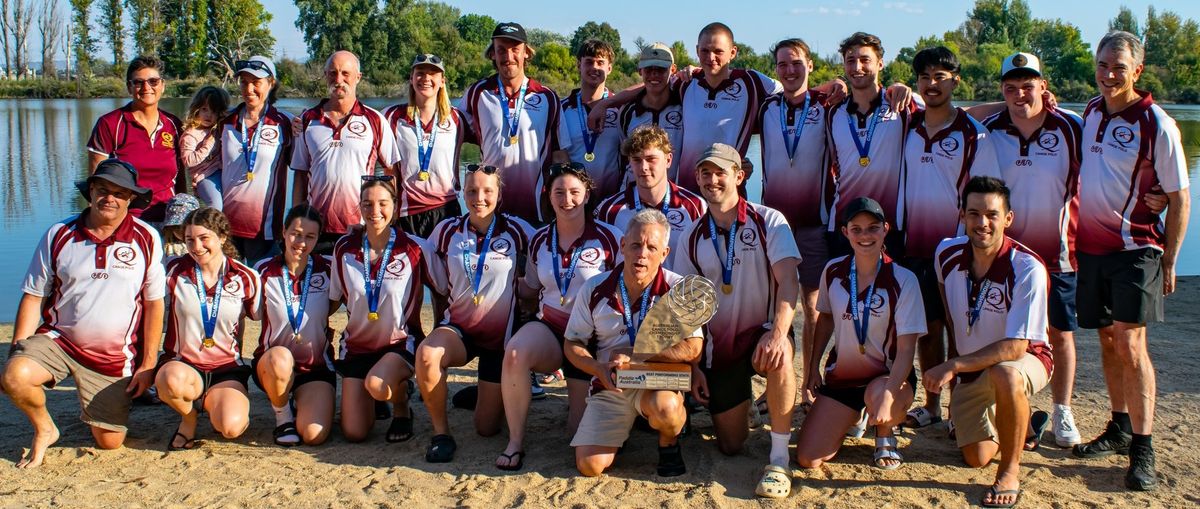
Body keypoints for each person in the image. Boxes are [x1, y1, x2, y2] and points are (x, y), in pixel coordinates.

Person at [1071, 31, 1190, 492]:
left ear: (1137, 71)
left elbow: (1179, 198)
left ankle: (1144, 447)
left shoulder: (1156, 123)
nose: (1108, 74)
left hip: (1138, 249)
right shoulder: (1092, 111)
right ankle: (1118, 427)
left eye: (1118, 66)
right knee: (1106, 340)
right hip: (1092, 249)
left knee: (1131, 344)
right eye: (1102, 65)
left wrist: (1172, 260)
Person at [1, 159, 165, 468]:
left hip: (112, 356)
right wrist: (17, 348)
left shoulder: (146, 238)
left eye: (120, 193)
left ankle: (92, 400)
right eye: (103, 189)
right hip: (59, 343)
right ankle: (45, 428)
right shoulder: (59, 233)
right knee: (15, 376)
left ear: (131, 199)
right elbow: (34, 296)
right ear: (90, 191)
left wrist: (148, 363)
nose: (110, 198)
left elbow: (154, 304)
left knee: (109, 442)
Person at [671, 143, 800, 497]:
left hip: (762, 334)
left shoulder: (769, 220)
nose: (712, 179)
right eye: (705, 173)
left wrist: (778, 333)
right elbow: (687, 310)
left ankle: (778, 461)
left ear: (739, 176)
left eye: (720, 172)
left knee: (781, 355)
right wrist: (694, 366)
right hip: (720, 346)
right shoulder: (692, 235)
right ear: (696, 177)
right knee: (730, 445)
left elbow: (790, 282)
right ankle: (745, 404)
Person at [926, 176, 1053, 508]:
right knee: (976, 457)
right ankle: (1024, 424)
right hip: (973, 365)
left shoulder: (1027, 268)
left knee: (1007, 373)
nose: (982, 223)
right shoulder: (945, 253)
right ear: (961, 215)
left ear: (1008, 218)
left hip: (1028, 358)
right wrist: (958, 380)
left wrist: (952, 366)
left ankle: (1010, 472)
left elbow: (1015, 348)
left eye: (992, 214)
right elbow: (955, 323)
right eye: (973, 214)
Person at [983, 52, 1086, 448]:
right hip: (1004, 252)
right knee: (1003, 331)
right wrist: (1005, 103)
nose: (1020, 94)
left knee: (1060, 334)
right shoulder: (991, 127)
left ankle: (1062, 410)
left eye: (1029, 86)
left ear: (1044, 86)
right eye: (1011, 88)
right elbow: (956, 112)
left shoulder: (1071, 126)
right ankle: (1004, 403)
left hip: (1058, 252)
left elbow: (1118, 160)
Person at [899, 46, 1000, 430]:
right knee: (927, 328)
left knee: (960, 329)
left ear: (955, 81)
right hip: (913, 246)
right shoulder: (908, 126)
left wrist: (977, 244)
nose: (931, 84)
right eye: (924, 77)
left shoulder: (974, 135)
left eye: (940, 76)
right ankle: (932, 405)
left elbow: (987, 194)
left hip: (958, 248)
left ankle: (963, 406)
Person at [497, 162, 623, 470]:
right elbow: (530, 287)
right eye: (559, 193)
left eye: (574, 192)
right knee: (514, 352)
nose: (567, 200)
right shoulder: (540, 238)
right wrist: (497, 278)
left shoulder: (610, 237)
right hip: (552, 328)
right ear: (548, 196)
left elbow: (626, 293)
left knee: (575, 434)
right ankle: (515, 442)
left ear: (587, 195)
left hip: (591, 340)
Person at [566, 209, 702, 477]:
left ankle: (669, 443)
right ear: (623, 245)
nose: (642, 254)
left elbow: (693, 348)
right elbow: (572, 343)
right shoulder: (594, 288)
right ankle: (623, 432)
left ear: (664, 254)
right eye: (636, 244)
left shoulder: (678, 290)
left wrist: (638, 356)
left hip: (657, 384)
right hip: (611, 384)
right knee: (589, 466)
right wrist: (597, 369)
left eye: (652, 247)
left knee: (667, 409)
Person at [796, 197, 923, 473]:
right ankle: (855, 414)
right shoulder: (832, 271)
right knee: (808, 458)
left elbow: (905, 351)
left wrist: (889, 395)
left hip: (887, 377)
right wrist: (813, 367)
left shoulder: (904, 280)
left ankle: (885, 434)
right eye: (857, 229)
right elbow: (826, 320)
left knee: (879, 394)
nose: (865, 236)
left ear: (886, 229)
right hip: (844, 378)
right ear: (845, 232)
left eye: (873, 228)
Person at [416, 166, 533, 463]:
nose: (479, 198)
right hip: (459, 330)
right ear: (462, 193)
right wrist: (368, 232)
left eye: (487, 191)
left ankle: (484, 393)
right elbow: (415, 251)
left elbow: (553, 245)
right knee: (427, 355)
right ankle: (441, 433)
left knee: (486, 429)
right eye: (471, 191)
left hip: (499, 340)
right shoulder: (447, 230)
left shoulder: (517, 229)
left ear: (499, 195)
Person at [329, 177, 442, 443]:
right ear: (359, 206)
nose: (374, 211)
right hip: (357, 348)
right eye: (367, 204)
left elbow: (443, 290)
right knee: (354, 433)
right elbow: (333, 299)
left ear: (395, 204)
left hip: (399, 345)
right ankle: (375, 394)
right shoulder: (344, 248)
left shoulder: (415, 247)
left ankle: (402, 407)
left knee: (378, 385)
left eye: (382, 203)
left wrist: (439, 332)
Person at [756, 38, 831, 409]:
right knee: (777, 307)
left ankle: (809, 382)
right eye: (782, 64)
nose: (789, 70)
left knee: (813, 306)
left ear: (810, 65)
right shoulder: (766, 106)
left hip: (815, 221)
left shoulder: (828, 106)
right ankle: (776, 385)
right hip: (775, 223)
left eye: (796, 63)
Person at [156, 207, 261, 450]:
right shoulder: (172, 272)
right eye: (190, 240)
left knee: (231, 428)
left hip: (226, 369)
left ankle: (211, 402)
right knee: (169, 380)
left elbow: (254, 318)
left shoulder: (246, 277)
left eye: (204, 238)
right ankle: (188, 418)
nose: (196, 247)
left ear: (222, 237)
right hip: (184, 365)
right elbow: (152, 315)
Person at [292, 50, 400, 252]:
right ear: (325, 76)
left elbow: (391, 171)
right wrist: (297, 218)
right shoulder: (307, 120)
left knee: (360, 284)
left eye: (345, 73)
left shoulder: (375, 120)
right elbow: (299, 173)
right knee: (316, 283)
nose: (339, 79)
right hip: (316, 227)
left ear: (358, 77)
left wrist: (389, 216)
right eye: (333, 73)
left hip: (361, 225)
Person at [825, 33, 917, 259]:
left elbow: (950, 112)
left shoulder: (903, 105)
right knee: (844, 292)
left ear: (880, 63)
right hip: (843, 223)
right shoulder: (834, 112)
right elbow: (796, 94)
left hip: (890, 224)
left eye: (865, 59)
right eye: (850, 60)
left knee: (889, 293)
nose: (857, 66)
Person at [252, 205, 337, 446]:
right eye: (296, 233)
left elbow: (339, 300)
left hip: (315, 368)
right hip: (273, 364)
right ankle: (283, 417)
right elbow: (249, 314)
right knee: (280, 358)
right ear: (283, 231)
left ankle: (298, 399)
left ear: (318, 238)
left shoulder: (328, 268)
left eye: (310, 237)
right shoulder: (263, 270)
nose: (301, 242)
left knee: (314, 435)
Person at [461, 22, 561, 223]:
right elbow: (449, 134)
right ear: (493, 54)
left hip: (537, 207)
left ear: (526, 53)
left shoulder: (546, 96)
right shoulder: (477, 93)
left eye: (515, 49)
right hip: (489, 205)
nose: (508, 57)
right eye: (501, 50)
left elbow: (560, 154)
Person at [86, 55, 184, 223]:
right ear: (129, 87)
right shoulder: (110, 124)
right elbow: (96, 183)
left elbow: (180, 179)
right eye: (138, 82)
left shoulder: (173, 124)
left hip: (169, 222)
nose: (146, 87)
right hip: (127, 221)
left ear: (162, 86)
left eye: (153, 81)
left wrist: (182, 217)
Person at [383, 54, 471, 238]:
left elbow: (493, 134)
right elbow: (360, 127)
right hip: (408, 212)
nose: (426, 78)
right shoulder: (391, 116)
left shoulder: (457, 119)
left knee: (448, 266)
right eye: (420, 73)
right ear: (411, 79)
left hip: (447, 209)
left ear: (442, 81)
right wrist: (305, 126)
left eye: (433, 74)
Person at [218, 56, 295, 264]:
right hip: (226, 227)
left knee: (262, 292)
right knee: (229, 292)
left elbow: (304, 170)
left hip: (266, 230)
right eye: (244, 82)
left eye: (256, 82)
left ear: (271, 83)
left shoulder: (286, 123)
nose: (249, 89)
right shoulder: (225, 121)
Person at [595, 125, 705, 269]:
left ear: (668, 160)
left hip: (679, 291)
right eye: (637, 160)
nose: (644, 167)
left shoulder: (695, 206)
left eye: (651, 159)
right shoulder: (609, 209)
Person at [555, 39, 624, 197]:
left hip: (611, 198)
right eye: (589, 62)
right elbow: (559, 156)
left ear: (609, 68)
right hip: (574, 199)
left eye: (600, 62)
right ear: (579, 65)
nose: (594, 67)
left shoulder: (620, 108)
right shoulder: (561, 108)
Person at [617, 43, 683, 181]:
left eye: (661, 69)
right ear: (640, 70)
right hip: (634, 193)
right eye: (649, 69)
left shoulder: (684, 107)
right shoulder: (627, 112)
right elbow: (625, 154)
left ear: (673, 69)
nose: (654, 74)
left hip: (674, 195)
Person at [180, 86, 231, 209]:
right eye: (204, 109)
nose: (209, 115)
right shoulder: (191, 134)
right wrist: (207, 145)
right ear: (196, 109)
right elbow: (188, 161)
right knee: (216, 205)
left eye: (214, 111)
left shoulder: (218, 128)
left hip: (222, 172)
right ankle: (209, 228)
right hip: (204, 176)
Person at [162, 193, 202, 263]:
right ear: (170, 228)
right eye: (177, 227)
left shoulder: (202, 243)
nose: (182, 231)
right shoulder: (165, 246)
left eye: (186, 226)